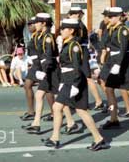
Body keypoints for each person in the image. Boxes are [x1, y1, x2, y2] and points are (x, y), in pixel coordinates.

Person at [41, 19, 109, 151]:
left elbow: (77, 68)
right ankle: (98, 139)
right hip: (67, 81)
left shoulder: (74, 46)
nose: (60, 31)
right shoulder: (68, 44)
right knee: (79, 110)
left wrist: (74, 85)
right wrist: (62, 83)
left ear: (71, 31)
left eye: (63, 29)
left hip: (74, 81)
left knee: (60, 107)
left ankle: (55, 138)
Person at [25, 13, 60, 134]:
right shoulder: (41, 36)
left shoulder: (48, 37)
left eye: (37, 22)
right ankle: (36, 124)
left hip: (51, 71)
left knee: (61, 100)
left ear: (44, 23)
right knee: (39, 95)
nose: (35, 24)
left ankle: (71, 123)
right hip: (46, 70)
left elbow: (49, 57)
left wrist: (43, 72)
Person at [68, 6, 104, 110]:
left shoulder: (79, 25)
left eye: (74, 13)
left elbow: (77, 40)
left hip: (81, 52)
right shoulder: (77, 24)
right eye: (72, 13)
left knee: (87, 78)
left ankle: (98, 101)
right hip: (79, 51)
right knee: (78, 77)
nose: (73, 15)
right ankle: (79, 101)